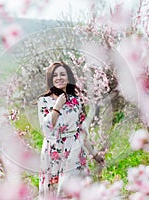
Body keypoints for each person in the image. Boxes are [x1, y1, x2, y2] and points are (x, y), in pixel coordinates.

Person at [37, 62, 104, 199]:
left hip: (74, 148)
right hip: (53, 150)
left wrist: (94, 154)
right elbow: (46, 128)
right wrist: (57, 106)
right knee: (54, 191)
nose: (59, 78)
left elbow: (82, 130)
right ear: (51, 79)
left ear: (68, 78)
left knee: (71, 189)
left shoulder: (76, 101)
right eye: (55, 75)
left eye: (63, 74)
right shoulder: (43, 101)